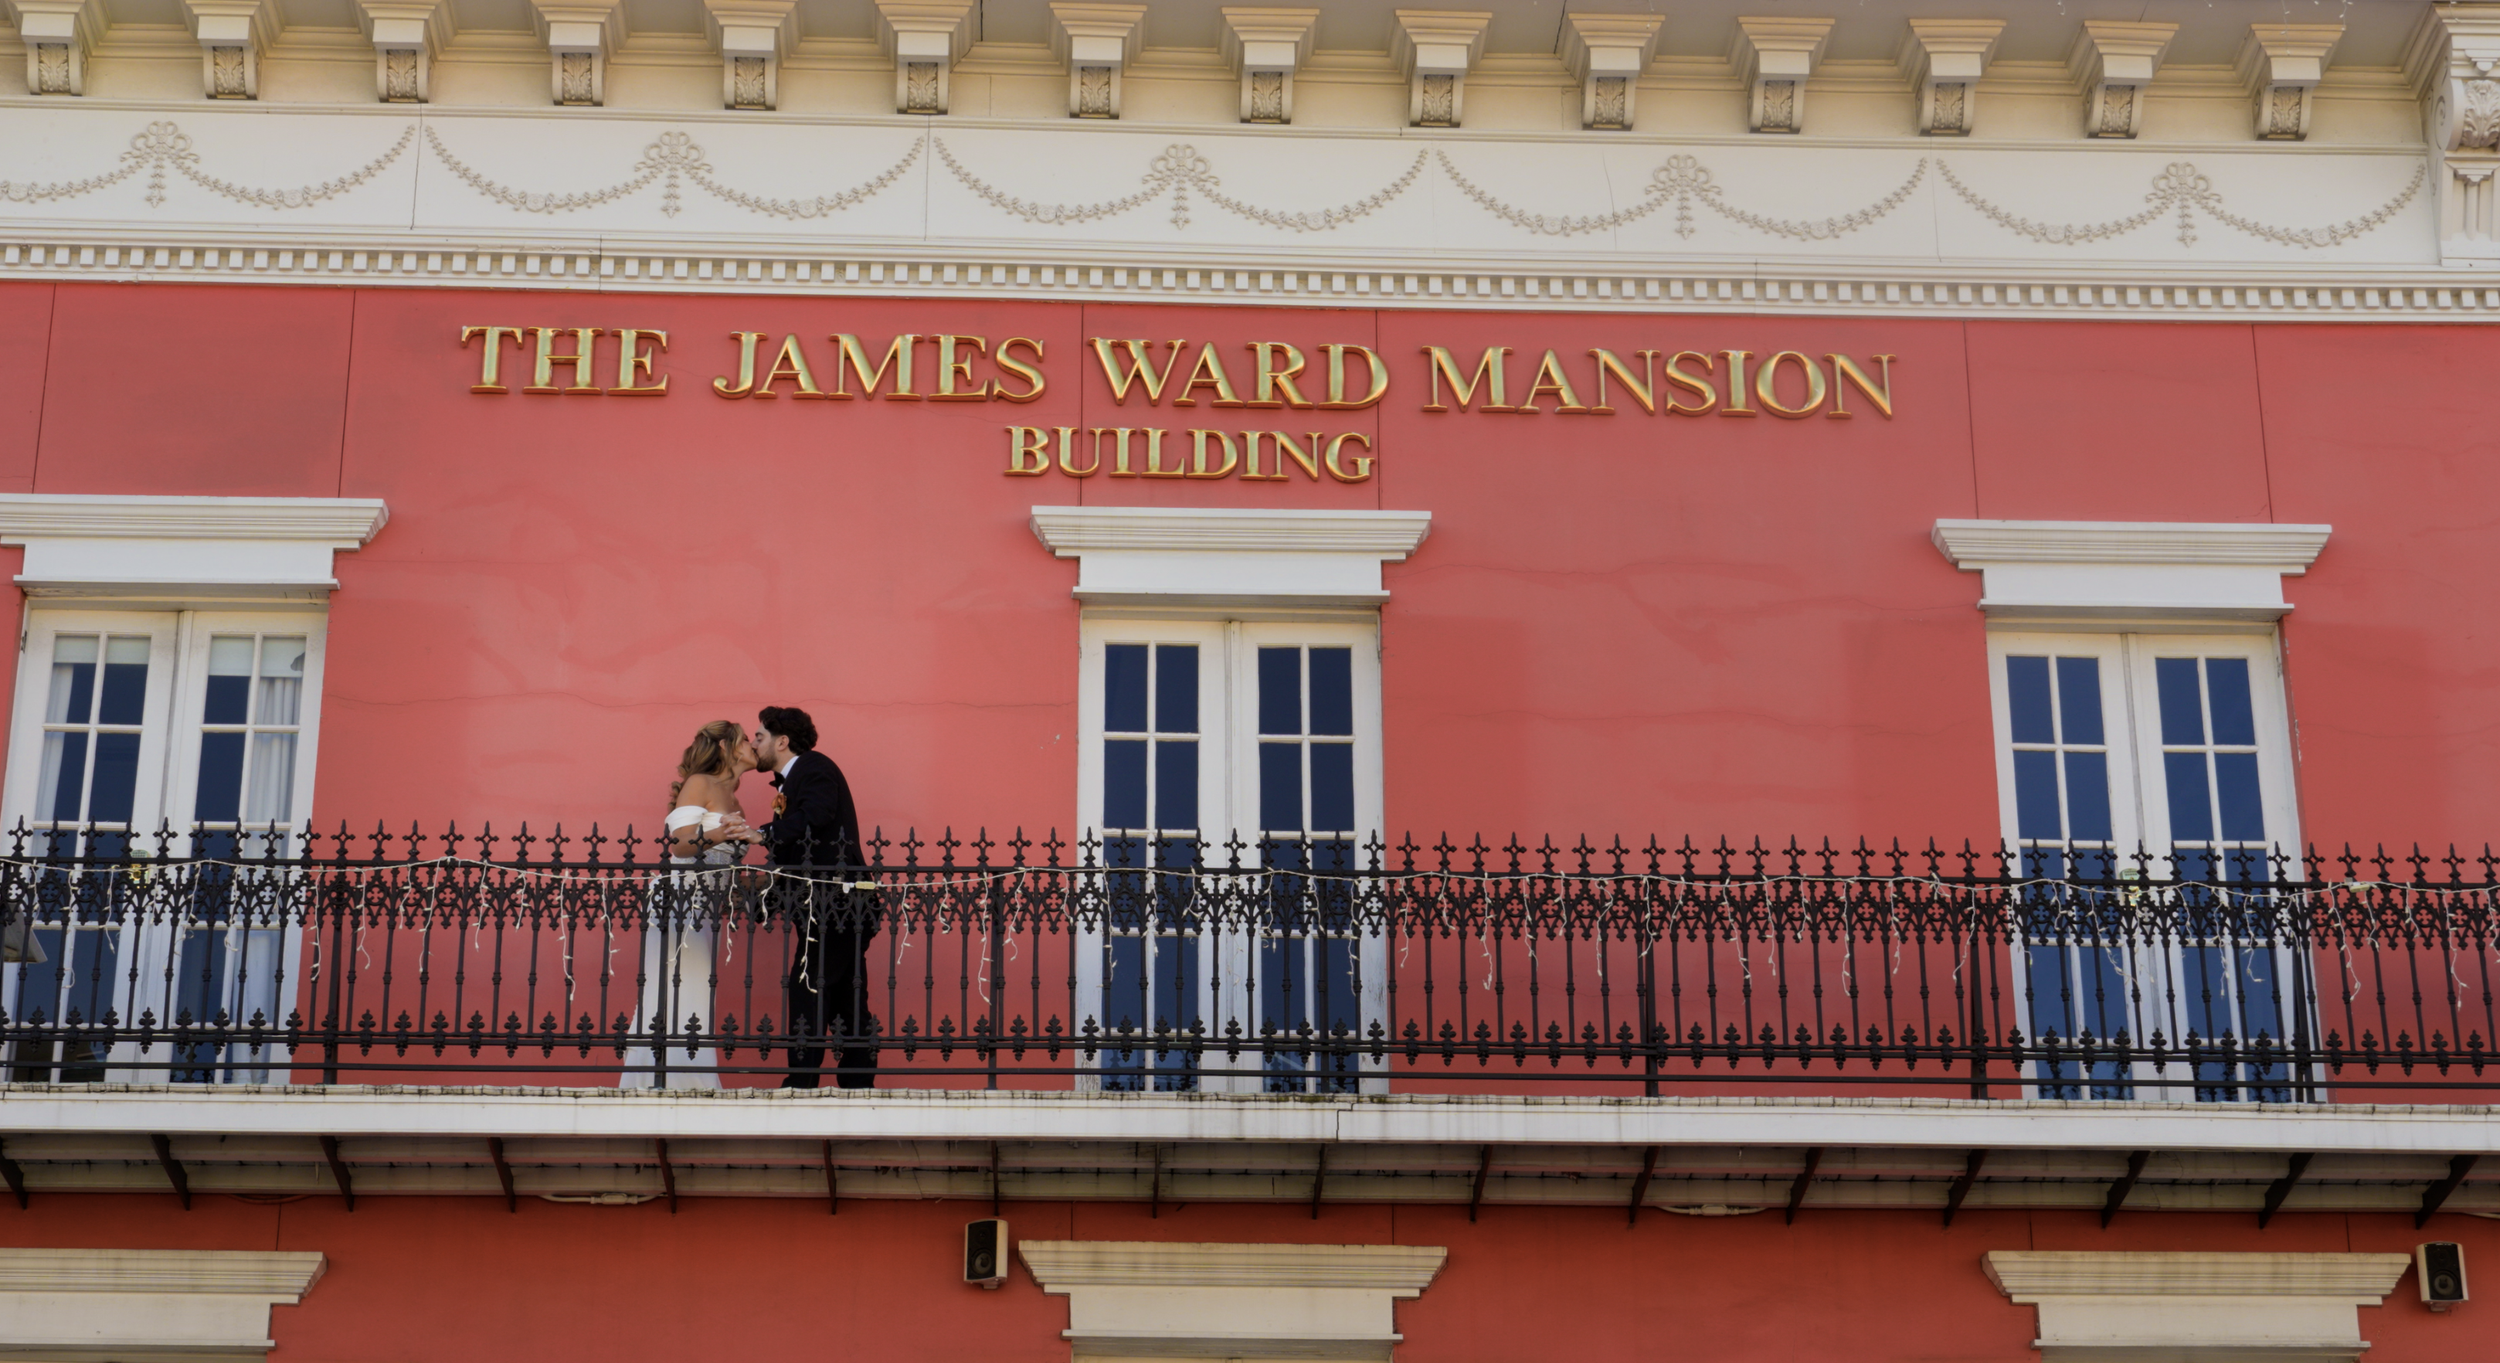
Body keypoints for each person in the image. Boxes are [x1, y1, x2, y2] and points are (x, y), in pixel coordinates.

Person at [620, 720, 758, 1089]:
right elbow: (680, 844)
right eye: (746, 739)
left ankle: (682, 1078)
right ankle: (666, 1081)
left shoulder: (736, 800)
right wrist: (722, 832)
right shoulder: (701, 782)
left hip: (706, 908)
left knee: (695, 990)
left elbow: (724, 868)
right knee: (673, 986)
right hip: (678, 902)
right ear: (727, 747)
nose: (753, 744)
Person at [750, 706, 876, 1089]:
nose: (754, 743)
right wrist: (763, 900)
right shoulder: (793, 779)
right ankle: (857, 1079)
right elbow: (798, 851)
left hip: (837, 902)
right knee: (844, 993)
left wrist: (763, 833)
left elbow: (816, 816)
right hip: (831, 904)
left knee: (807, 983)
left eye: (759, 737)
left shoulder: (813, 766)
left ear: (782, 741)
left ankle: (802, 1081)